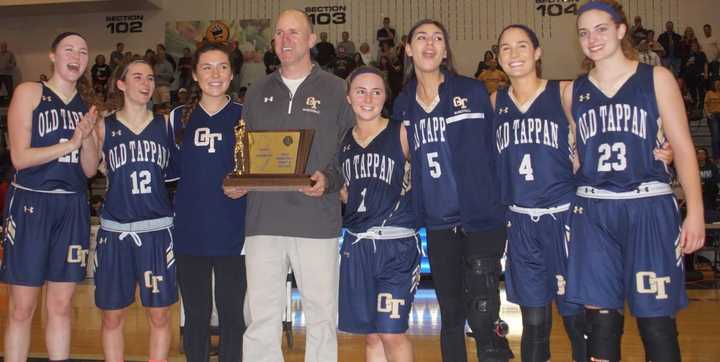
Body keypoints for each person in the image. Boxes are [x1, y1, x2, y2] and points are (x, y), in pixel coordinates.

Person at [564, 2, 705, 362]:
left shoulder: (655, 78)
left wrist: (696, 212)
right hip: (594, 210)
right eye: (584, 32)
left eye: (601, 29)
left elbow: (685, 148)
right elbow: (577, 154)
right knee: (599, 325)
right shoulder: (574, 91)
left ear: (621, 30)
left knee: (656, 324)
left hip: (647, 205)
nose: (591, 39)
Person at [228, 9, 353, 362]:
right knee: (260, 319)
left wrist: (330, 180)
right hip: (263, 222)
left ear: (312, 39)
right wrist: (239, 180)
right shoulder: (256, 91)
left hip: (317, 221)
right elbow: (246, 150)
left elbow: (352, 149)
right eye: (280, 33)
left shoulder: (336, 89)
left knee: (322, 318)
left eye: (294, 33)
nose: (285, 40)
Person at [392, 19, 513, 362]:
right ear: (408, 49)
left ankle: (496, 355)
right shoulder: (403, 104)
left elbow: (501, 144)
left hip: (481, 217)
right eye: (421, 38)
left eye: (437, 39)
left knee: (483, 309)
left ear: (445, 50)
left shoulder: (472, 91)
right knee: (451, 313)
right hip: (439, 222)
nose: (429, 45)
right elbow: (396, 156)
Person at [1, 31, 99, 362]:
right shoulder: (30, 92)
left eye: (83, 51)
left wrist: (87, 139)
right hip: (31, 202)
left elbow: (88, 171)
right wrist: (69, 143)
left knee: (61, 306)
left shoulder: (88, 109)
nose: (76, 55)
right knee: (22, 308)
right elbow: (19, 157)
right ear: (53, 56)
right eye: (69, 49)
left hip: (72, 206)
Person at [493, 24, 587, 362]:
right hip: (520, 223)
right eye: (506, 48)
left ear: (537, 52)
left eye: (521, 46)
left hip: (564, 219)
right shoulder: (495, 102)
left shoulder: (564, 93)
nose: (514, 54)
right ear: (498, 57)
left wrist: (659, 143)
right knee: (534, 322)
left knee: (576, 319)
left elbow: (609, 113)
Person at [93, 59, 177, 362]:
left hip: (156, 231)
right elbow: (89, 169)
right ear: (121, 84)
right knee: (112, 318)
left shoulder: (165, 124)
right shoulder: (104, 126)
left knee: (159, 316)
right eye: (137, 77)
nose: (146, 83)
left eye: (151, 78)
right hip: (116, 232)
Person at [169, 41, 247, 362]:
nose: (215, 74)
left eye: (223, 67)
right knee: (196, 317)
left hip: (235, 232)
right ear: (195, 75)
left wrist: (247, 186)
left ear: (231, 75)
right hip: (190, 233)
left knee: (233, 317)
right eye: (207, 67)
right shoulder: (176, 119)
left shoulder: (246, 115)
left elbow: (259, 172)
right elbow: (167, 176)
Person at [338, 66, 419, 362]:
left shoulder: (402, 132)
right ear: (348, 97)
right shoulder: (344, 141)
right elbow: (346, 191)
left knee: (391, 332)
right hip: (358, 246)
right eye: (360, 91)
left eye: (376, 91)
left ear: (386, 96)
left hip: (396, 245)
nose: (368, 98)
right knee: (371, 334)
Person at [697, 147, 719, 214]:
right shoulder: (693, 166)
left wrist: (705, 183)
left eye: (702, 153)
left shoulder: (712, 166)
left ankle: (711, 212)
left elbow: (717, 178)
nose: (701, 155)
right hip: (698, 189)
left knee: (711, 188)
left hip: (710, 189)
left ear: (706, 155)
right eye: (699, 153)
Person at [704, 79, 720, 159]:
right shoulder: (709, 93)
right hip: (713, 115)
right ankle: (716, 157)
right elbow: (706, 104)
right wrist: (707, 113)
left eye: (719, 84)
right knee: (716, 136)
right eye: (716, 83)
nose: (718, 85)